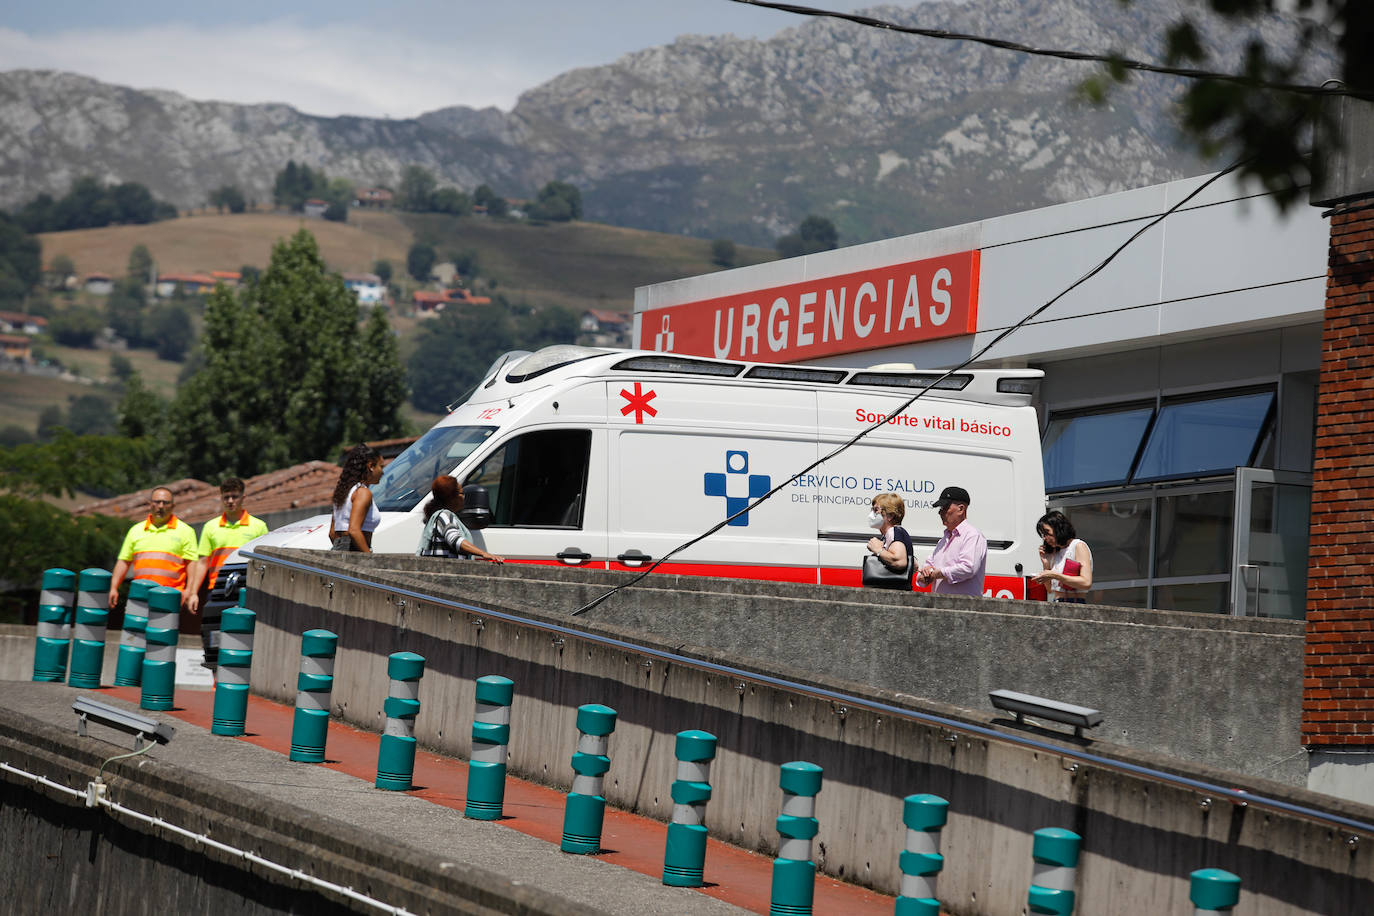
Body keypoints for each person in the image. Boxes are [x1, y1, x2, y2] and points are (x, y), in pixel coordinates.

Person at [184, 477, 269, 614]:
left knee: (242, 632)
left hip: (247, 588)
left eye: (234, 497)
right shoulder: (210, 527)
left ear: (243, 497)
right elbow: (202, 562)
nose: (230, 501)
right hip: (216, 588)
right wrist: (194, 593)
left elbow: (264, 562)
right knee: (213, 633)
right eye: (226, 497)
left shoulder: (258, 527)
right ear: (221, 498)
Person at [107, 487, 199, 609]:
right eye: (157, 502)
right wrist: (113, 588)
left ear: (173, 505)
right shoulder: (136, 531)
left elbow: (192, 564)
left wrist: (190, 591)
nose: (160, 506)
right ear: (150, 504)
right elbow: (123, 561)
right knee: (135, 628)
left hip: (170, 596)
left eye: (165, 503)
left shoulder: (186, 531)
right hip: (139, 595)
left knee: (164, 628)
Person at [916, 485, 987, 596]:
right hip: (942, 606)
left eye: (945, 507)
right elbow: (927, 567)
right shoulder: (943, 540)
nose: (940, 513)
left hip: (964, 608)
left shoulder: (972, 535)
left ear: (961, 509)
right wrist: (925, 574)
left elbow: (968, 568)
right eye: (940, 509)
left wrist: (938, 573)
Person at [416, 476, 504, 563]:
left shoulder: (440, 515)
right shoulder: (445, 516)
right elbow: (454, 539)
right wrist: (483, 553)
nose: (464, 498)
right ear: (452, 498)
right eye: (462, 494)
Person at [1032, 510, 1093, 603]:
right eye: (1043, 535)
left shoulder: (1078, 546)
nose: (1045, 538)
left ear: (1058, 528)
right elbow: (1050, 589)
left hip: (1075, 602)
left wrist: (1055, 575)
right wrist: (1046, 564)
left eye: (1047, 533)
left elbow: (1086, 582)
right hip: (1057, 601)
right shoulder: (1056, 551)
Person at [331, 444, 383, 552]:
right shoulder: (363, 493)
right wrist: (368, 558)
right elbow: (354, 530)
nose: (382, 472)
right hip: (355, 551)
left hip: (339, 549)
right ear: (371, 466)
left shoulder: (343, 492)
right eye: (381, 466)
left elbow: (332, 533)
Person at [865, 492, 912, 584]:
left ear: (890, 515)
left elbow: (900, 561)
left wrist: (878, 550)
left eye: (876, 510)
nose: (871, 514)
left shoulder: (895, 532)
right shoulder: (889, 534)